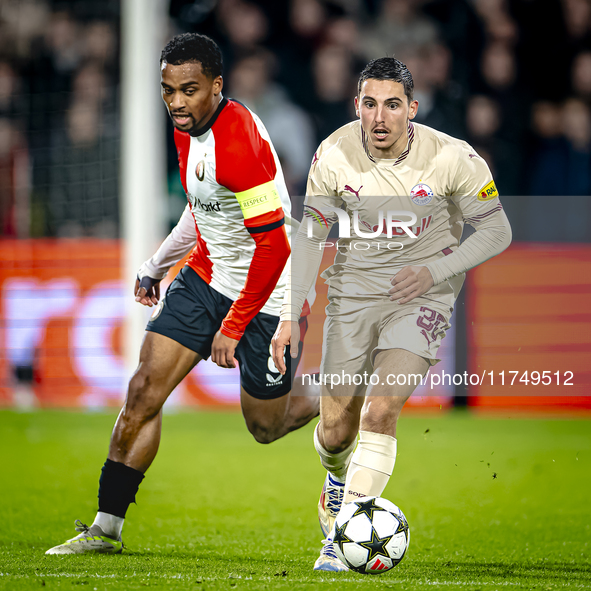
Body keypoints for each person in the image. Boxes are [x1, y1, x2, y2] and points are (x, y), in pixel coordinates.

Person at [46, 33, 318, 555]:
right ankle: (106, 528)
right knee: (144, 390)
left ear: (216, 86)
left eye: (188, 90)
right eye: (167, 90)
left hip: (270, 294)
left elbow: (275, 249)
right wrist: (156, 266)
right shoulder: (186, 128)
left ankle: (334, 392)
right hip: (207, 278)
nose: (175, 103)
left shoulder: (239, 145)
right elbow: (202, 209)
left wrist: (233, 326)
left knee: (265, 426)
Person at [272, 57, 512, 571]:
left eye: (392, 105)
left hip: (420, 299)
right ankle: (336, 480)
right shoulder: (333, 153)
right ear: (356, 105)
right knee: (336, 430)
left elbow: (496, 231)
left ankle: (341, 539)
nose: (380, 117)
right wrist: (291, 312)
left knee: (380, 409)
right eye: (370, 104)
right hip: (353, 295)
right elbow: (312, 235)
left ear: (412, 109)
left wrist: (434, 271)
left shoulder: (453, 158)